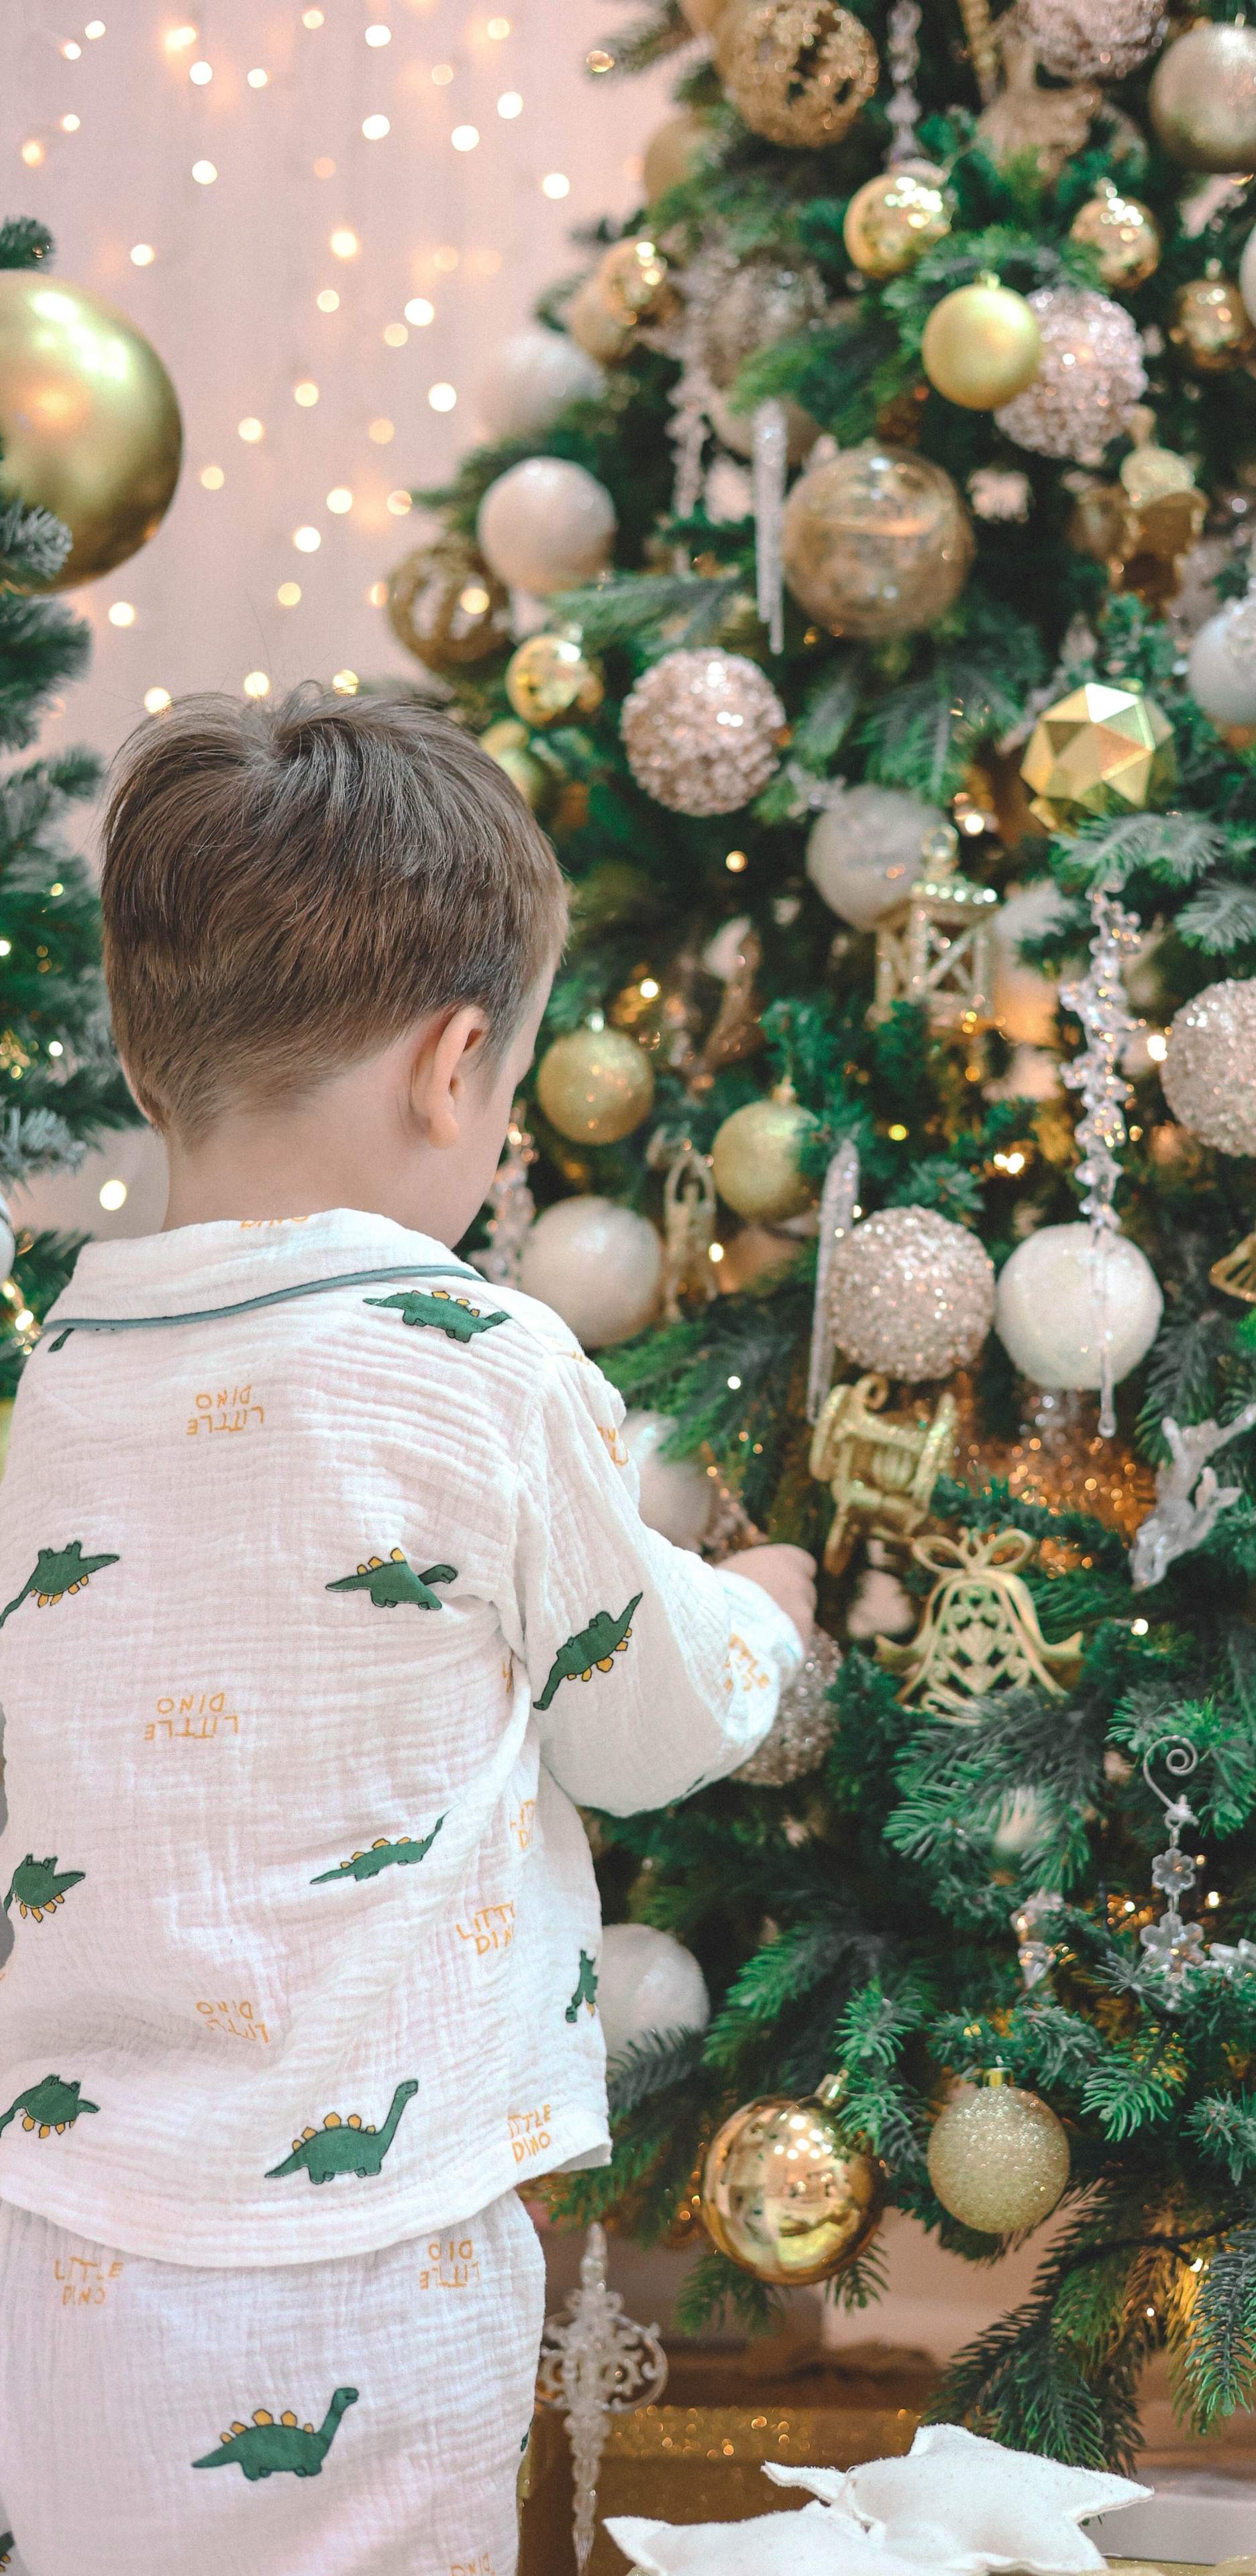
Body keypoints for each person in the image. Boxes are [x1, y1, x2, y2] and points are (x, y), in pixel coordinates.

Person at [0, 688, 817, 2576]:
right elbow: (637, 1716)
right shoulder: (476, 1357)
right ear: (457, 1069)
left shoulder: (70, 1364)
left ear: (151, 1060)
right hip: (381, 2253)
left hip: (61, 2234)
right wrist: (763, 1619)